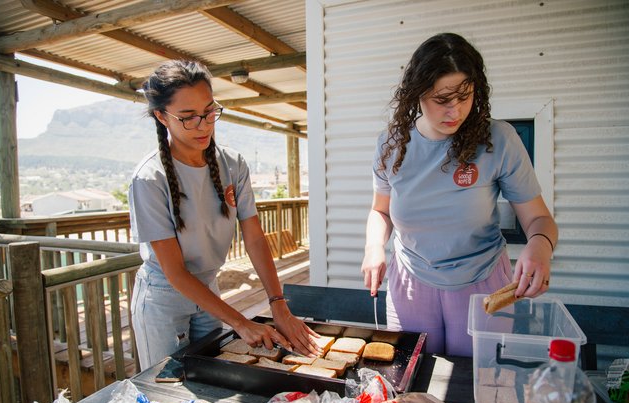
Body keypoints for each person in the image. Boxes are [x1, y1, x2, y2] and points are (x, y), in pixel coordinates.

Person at [361, 33, 558, 357]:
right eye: (442, 99)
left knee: (479, 380)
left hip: (482, 282)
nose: (455, 110)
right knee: (413, 377)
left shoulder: (500, 139)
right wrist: (373, 248)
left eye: (465, 96)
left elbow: (538, 219)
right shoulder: (391, 144)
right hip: (410, 281)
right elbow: (380, 212)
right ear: (417, 95)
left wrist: (540, 247)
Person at [129, 60, 318, 369]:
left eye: (209, 111)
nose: (204, 125)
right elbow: (175, 272)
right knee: (167, 385)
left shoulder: (232, 164)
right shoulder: (150, 178)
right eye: (188, 118)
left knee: (210, 377)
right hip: (164, 297)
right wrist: (241, 323)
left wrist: (278, 304)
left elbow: (254, 237)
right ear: (162, 116)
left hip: (208, 289)